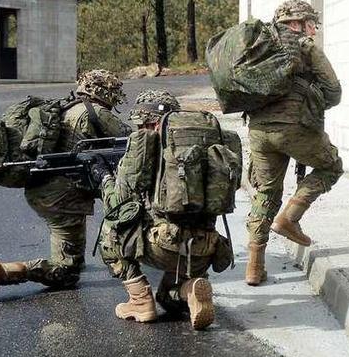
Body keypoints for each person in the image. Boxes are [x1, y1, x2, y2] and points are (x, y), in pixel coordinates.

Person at [0, 69, 130, 302]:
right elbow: (134, 142)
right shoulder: (95, 112)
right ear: (103, 92)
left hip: (44, 191)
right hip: (61, 198)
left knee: (73, 250)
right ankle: (0, 271)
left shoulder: (63, 107)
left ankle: (97, 253)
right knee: (67, 272)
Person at [93, 89, 239, 330]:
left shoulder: (145, 144)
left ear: (146, 121)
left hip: (163, 244)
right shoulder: (212, 140)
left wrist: (105, 179)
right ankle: (190, 289)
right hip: (206, 248)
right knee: (168, 299)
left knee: (110, 229)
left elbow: (118, 204)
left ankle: (140, 302)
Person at [244, 0, 343, 286]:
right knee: (331, 167)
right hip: (296, 128)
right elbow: (334, 91)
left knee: (266, 192)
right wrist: (310, 101)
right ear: (297, 23)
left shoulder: (258, 49)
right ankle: (290, 217)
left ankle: (254, 266)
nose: (313, 30)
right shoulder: (305, 46)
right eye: (311, 24)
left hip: (259, 130)